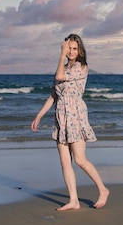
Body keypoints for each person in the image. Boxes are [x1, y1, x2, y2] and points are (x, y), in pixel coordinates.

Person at [31, 34, 109, 210]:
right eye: (69, 48)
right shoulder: (64, 67)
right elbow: (53, 95)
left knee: (80, 160)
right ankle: (73, 201)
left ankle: (103, 189)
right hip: (61, 116)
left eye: (74, 48)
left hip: (75, 116)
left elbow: (59, 75)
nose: (71, 52)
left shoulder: (81, 67)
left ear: (79, 50)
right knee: (65, 162)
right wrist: (39, 115)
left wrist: (61, 53)